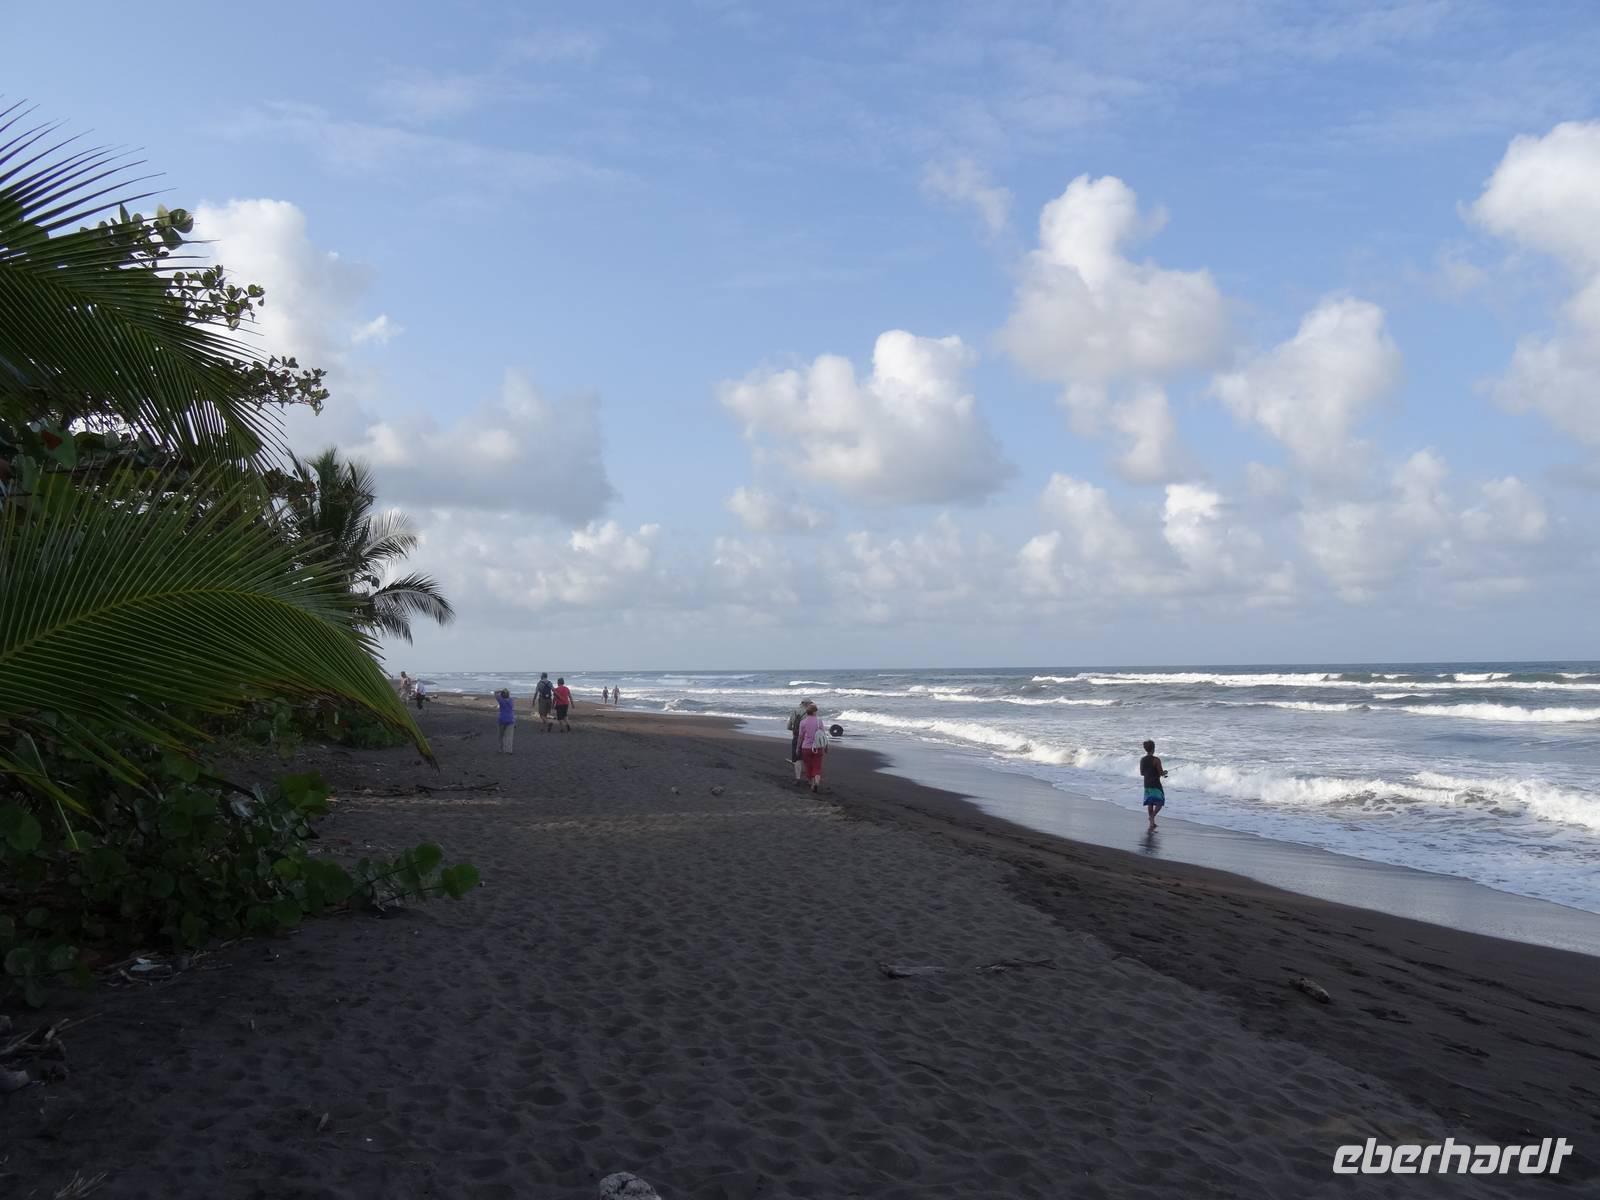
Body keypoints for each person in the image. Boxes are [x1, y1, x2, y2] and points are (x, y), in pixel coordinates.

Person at [797, 702, 826, 793]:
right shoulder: (819, 721)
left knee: (808, 766)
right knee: (817, 766)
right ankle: (816, 782)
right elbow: (823, 735)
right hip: (818, 747)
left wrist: (798, 747)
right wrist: (826, 746)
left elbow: (801, 736)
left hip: (806, 747)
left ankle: (812, 783)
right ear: (814, 712)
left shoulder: (803, 722)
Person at [1139, 738, 1168, 829]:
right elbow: (1161, 773)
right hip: (1155, 784)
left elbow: (1142, 773)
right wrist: (1164, 773)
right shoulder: (1156, 760)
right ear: (1153, 748)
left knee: (1150, 803)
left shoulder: (1142, 760)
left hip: (1147, 783)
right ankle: (1152, 817)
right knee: (1160, 802)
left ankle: (1152, 823)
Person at [785, 697, 811, 784]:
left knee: (797, 759)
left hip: (796, 737)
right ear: (807, 704)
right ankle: (809, 779)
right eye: (810, 703)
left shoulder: (795, 711)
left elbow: (789, 726)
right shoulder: (810, 713)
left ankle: (798, 778)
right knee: (808, 759)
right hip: (808, 738)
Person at [496, 688, 516, 754]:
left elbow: (495, 693)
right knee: (509, 736)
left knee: (500, 735)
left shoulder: (501, 700)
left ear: (502, 695)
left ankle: (500, 749)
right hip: (510, 719)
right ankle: (509, 750)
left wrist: (500, 690)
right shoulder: (511, 700)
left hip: (502, 719)